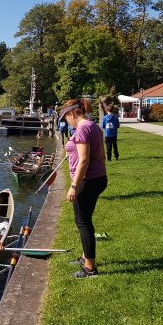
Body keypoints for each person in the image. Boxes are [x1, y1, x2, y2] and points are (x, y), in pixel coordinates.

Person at [58, 98, 107, 278]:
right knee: (84, 220)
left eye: (65, 117)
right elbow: (98, 155)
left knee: (83, 222)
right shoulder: (91, 125)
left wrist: (74, 185)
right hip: (96, 178)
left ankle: (90, 268)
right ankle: (86, 256)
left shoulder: (83, 128)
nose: (65, 121)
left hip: (87, 180)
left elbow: (84, 160)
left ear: (72, 113)